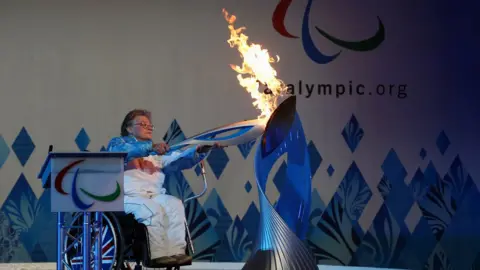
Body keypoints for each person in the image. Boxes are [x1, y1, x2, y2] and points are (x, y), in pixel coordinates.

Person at [106, 109, 222, 266]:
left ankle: (176, 253)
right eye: (142, 124)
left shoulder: (156, 153)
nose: (148, 127)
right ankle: (156, 255)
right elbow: (123, 152)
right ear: (129, 128)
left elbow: (179, 159)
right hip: (127, 198)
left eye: (149, 125)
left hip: (154, 195)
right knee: (152, 209)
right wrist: (151, 147)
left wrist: (199, 151)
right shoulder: (117, 144)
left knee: (174, 205)